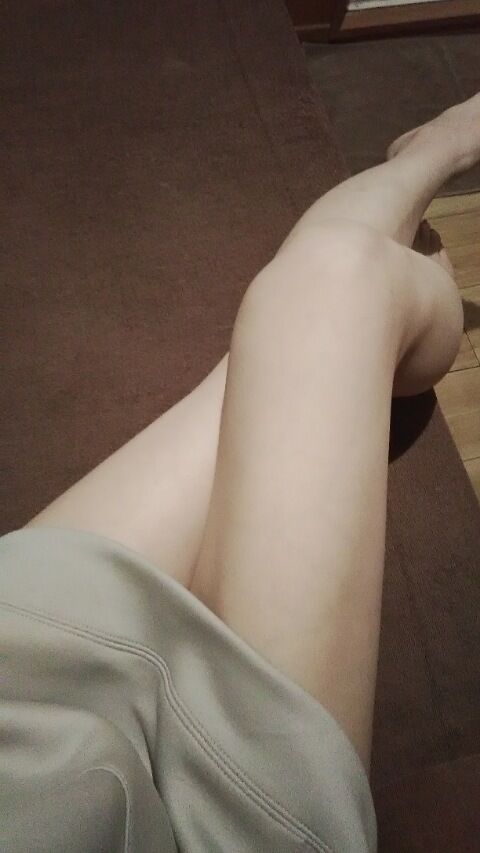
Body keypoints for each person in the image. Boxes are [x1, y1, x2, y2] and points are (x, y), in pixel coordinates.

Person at [1, 94, 478, 852]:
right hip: (214, 828)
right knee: (338, 278)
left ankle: (421, 184)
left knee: (304, 315)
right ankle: (432, 171)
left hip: (22, 699)